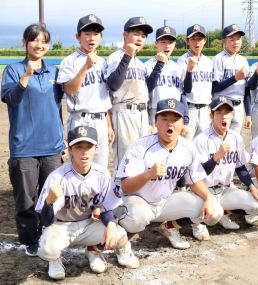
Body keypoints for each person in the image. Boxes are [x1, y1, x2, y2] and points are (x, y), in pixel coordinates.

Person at [115, 98, 223, 250]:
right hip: (138, 203)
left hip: (165, 202)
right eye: (164, 119)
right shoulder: (139, 147)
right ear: (156, 122)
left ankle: (170, 227)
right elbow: (125, 188)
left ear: (182, 124)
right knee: (137, 218)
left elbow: (194, 180)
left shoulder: (188, 148)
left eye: (175, 119)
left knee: (216, 211)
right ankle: (120, 237)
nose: (169, 123)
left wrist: (208, 198)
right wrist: (147, 175)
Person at [35, 126, 139, 280]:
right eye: (78, 147)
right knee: (47, 249)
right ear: (70, 149)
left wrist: (110, 225)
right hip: (60, 226)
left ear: (96, 148)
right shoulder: (57, 177)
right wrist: (49, 202)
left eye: (88, 147)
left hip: (87, 224)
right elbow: (45, 220)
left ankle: (94, 250)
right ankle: (54, 260)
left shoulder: (102, 174)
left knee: (119, 234)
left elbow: (108, 207)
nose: (84, 152)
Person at [1, 23, 65, 256]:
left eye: (44, 41)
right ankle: (30, 240)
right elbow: (12, 100)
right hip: (24, 147)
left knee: (52, 196)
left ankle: (50, 234)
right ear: (25, 42)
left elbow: (56, 107)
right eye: (34, 40)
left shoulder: (54, 72)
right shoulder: (13, 70)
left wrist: (62, 139)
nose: (39, 45)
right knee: (26, 200)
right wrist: (26, 75)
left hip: (52, 146)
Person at [193, 96, 258, 237]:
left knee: (257, 206)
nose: (223, 116)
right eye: (218, 112)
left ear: (232, 115)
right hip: (204, 192)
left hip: (225, 190)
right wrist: (216, 157)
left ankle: (224, 213)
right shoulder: (201, 140)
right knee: (214, 215)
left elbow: (240, 168)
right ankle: (197, 224)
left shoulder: (235, 138)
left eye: (227, 112)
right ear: (211, 116)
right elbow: (197, 175)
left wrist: (252, 188)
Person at [57, 14, 113, 167]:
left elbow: (103, 96)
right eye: (87, 34)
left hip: (101, 120)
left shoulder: (103, 62)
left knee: (101, 167)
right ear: (78, 36)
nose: (91, 38)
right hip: (81, 119)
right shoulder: (70, 61)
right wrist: (85, 67)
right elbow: (70, 90)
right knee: (79, 166)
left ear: (101, 37)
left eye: (95, 34)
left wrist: (108, 124)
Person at [105, 17, 153, 172]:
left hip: (142, 114)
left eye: (144, 36)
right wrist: (127, 55)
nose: (140, 38)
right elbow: (113, 85)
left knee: (142, 157)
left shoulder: (140, 64)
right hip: (124, 112)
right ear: (125, 35)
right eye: (136, 33)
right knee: (125, 160)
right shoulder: (115, 57)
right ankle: (119, 194)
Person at [145, 25, 189, 133]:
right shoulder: (147, 66)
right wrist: (147, 122)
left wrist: (186, 121)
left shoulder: (179, 68)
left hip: (176, 112)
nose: (167, 46)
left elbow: (183, 95)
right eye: (163, 42)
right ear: (156, 43)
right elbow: (144, 95)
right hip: (155, 112)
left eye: (170, 42)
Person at [177, 24, 214, 140]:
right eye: (193, 39)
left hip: (205, 111)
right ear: (188, 41)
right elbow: (183, 89)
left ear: (205, 40)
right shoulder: (182, 60)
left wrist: (210, 107)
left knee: (203, 148)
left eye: (200, 39)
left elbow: (211, 88)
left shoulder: (209, 62)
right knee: (186, 147)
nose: (197, 42)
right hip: (189, 109)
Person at [212, 24, 251, 133]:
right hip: (222, 106)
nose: (236, 42)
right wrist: (235, 78)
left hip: (238, 107)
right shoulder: (218, 59)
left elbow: (246, 90)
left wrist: (248, 114)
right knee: (219, 140)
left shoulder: (243, 60)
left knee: (234, 143)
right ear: (224, 41)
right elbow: (214, 87)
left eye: (238, 39)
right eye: (232, 39)